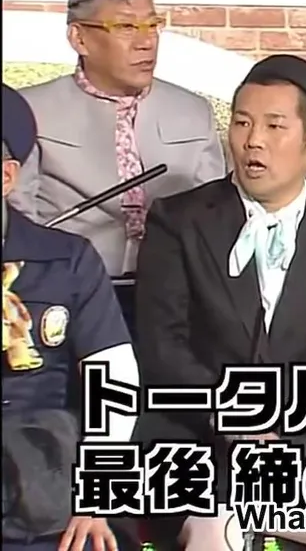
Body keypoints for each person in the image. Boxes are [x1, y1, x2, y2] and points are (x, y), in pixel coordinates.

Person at [131, 56, 306, 551]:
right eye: (243, 123)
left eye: (275, 126)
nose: (253, 141)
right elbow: (165, 347)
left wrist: (285, 421)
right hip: (198, 433)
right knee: (216, 536)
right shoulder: (179, 220)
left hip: (305, 438)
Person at [11, 0, 226, 280]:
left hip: (172, 292)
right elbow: (17, 229)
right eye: (126, 27)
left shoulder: (194, 113)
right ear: (79, 38)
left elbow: (214, 225)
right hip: (71, 289)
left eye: (152, 25)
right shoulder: (28, 113)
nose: (146, 42)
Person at [2, 84, 140, 551]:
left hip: (43, 499)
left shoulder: (67, 260)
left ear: (6, 176)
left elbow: (113, 378)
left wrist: (96, 496)